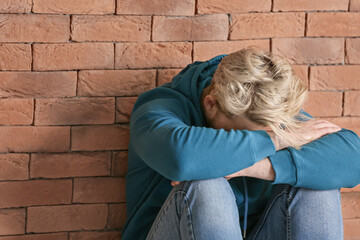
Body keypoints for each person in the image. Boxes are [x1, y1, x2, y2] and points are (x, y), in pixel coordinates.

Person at [121, 47, 360, 240]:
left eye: (271, 132)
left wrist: (251, 166)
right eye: (242, 135)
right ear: (211, 104)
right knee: (206, 184)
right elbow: (181, 157)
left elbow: (353, 159)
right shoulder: (160, 109)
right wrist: (277, 139)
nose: (262, 141)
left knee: (317, 184)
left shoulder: (264, 109)